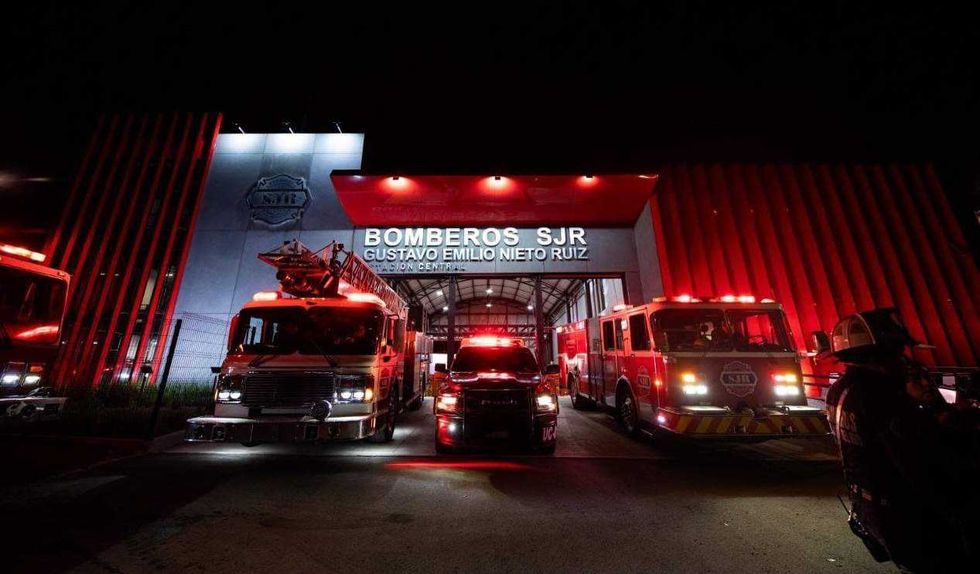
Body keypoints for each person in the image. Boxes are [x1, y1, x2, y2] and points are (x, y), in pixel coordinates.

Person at [826, 308, 978, 572]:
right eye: (897, 351)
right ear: (879, 354)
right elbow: (918, 460)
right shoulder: (881, 396)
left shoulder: (839, 391)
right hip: (906, 512)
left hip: (871, 507)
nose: (903, 359)